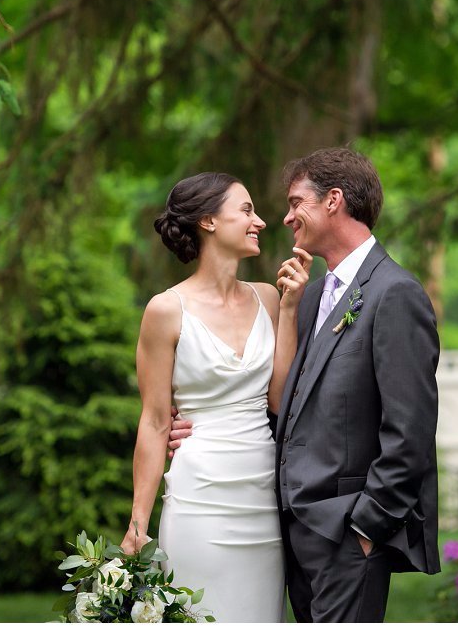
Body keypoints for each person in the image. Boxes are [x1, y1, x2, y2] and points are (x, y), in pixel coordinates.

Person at [172, 147, 441, 622]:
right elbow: (284, 402)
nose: (287, 216)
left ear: (333, 200)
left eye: (298, 202)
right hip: (293, 535)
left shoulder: (394, 294)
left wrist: (367, 527)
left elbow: (410, 431)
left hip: (349, 535)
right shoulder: (310, 296)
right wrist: (200, 427)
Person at [119, 172, 311, 623]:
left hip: (263, 497)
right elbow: (154, 422)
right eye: (246, 210)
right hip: (199, 499)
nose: (260, 221)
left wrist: (288, 310)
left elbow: (281, 401)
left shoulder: (268, 298)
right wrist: (137, 524)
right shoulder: (166, 311)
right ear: (207, 221)